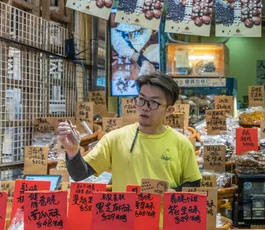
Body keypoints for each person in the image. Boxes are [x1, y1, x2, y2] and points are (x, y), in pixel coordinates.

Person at [59, 73, 202, 192]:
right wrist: (73, 152)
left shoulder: (181, 143)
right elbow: (80, 174)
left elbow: (194, 184)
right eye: (141, 99)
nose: (145, 107)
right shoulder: (115, 138)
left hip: (164, 224)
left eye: (153, 102)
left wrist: (171, 194)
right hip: (124, 223)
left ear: (169, 110)